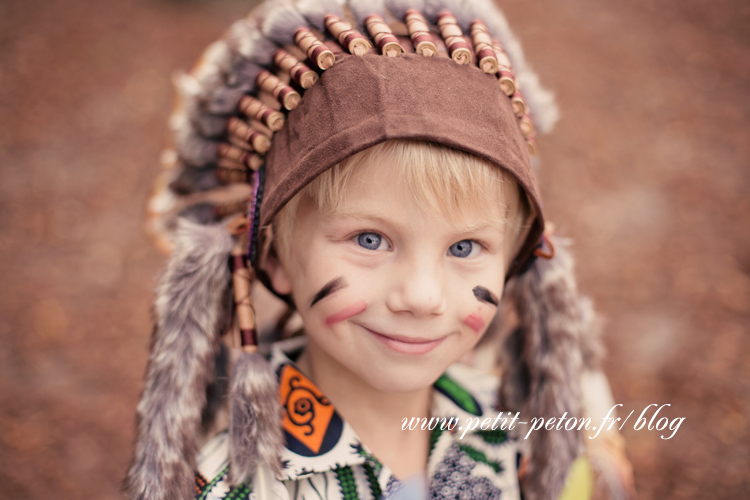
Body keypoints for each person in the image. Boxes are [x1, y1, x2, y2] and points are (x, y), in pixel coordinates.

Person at [126, 1, 635, 499]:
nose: (421, 296)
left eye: (464, 246)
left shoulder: (518, 439)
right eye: (370, 240)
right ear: (276, 257)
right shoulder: (232, 490)